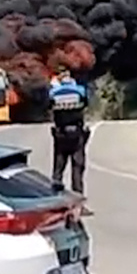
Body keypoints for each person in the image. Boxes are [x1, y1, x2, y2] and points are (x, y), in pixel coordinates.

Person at [48, 66, 90, 195]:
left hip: (60, 134)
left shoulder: (53, 93)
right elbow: (85, 104)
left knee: (58, 168)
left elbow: (49, 106)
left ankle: (55, 198)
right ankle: (78, 197)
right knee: (77, 168)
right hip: (77, 134)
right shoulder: (79, 91)